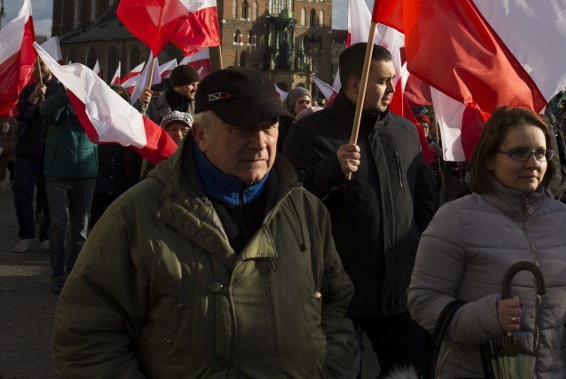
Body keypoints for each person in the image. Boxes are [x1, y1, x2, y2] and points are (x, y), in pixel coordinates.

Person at [53, 67, 355, 377]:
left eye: (269, 126)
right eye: (241, 128)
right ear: (200, 135)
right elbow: (86, 334)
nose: (259, 142)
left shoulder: (307, 212)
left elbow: (336, 308)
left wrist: (332, 370)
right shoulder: (138, 215)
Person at [284, 42, 436, 378]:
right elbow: (288, 199)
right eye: (384, 81)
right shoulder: (310, 132)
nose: (393, 88)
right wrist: (331, 170)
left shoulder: (405, 131)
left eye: (393, 79)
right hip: (338, 294)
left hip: (398, 294)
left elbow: (424, 195)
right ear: (354, 84)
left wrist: (416, 242)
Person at [408, 106, 566, 378]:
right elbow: (422, 300)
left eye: (540, 153)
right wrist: (486, 317)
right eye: (519, 153)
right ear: (489, 158)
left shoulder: (564, 218)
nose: (533, 163)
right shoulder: (456, 218)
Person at [42, 86, 99, 294]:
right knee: (60, 223)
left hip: (86, 172)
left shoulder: (94, 98)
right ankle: (58, 274)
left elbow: (112, 118)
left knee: (81, 226)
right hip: (57, 172)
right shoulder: (57, 94)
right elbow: (47, 112)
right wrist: (66, 92)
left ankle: (73, 272)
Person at [12, 59, 59, 253]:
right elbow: (21, 114)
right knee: (21, 191)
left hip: (50, 151)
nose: (40, 70)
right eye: (37, 66)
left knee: (48, 196)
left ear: (51, 67)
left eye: (43, 66)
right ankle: (26, 235)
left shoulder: (58, 90)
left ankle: (45, 235)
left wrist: (46, 101)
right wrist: (33, 97)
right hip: (26, 151)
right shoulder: (27, 90)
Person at [91, 86, 142, 228]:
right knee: (97, 227)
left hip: (122, 184)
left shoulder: (130, 124)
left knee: (118, 227)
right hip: (98, 185)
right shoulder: (95, 121)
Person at [277, 86, 311, 151]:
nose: (305, 106)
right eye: (301, 102)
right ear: (292, 104)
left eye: (308, 102)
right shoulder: (280, 124)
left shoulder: (315, 123)